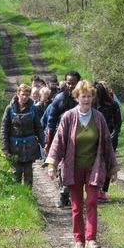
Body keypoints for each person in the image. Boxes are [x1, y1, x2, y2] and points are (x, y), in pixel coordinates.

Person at [45, 80, 120, 248]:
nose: (86, 100)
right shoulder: (68, 117)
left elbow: (107, 145)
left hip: (94, 167)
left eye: (89, 97)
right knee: (77, 205)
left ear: (93, 98)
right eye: (83, 96)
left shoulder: (99, 118)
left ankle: (91, 239)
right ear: (77, 97)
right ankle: (78, 240)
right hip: (73, 167)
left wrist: (113, 169)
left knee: (92, 201)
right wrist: (52, 164)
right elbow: (58, 142)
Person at [45, 71, 80, 207]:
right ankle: (63, 194)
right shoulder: (60, 98)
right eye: (68, 83)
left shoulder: (84, 99)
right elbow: (51, 120)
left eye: (73, 83)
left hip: (81, 140)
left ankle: (74, 196)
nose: (70, 86)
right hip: (63, 139)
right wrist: (49, 141)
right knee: (63, 167)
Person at [0, 84, 45, 186]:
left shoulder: (33, 108)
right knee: (16, 172)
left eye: (27, 95)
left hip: (29, 145)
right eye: (22, 94)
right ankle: (17, 195)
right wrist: (4, 147)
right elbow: (3, 128)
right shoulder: (10, 109)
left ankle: (28, 194)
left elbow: (38, 127)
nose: (24, 97)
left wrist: (44, 144)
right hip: (14, 146)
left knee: (29, 173)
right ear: (18, 94)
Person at [94, 81, 123, 202]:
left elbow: (117, 124)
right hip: (94, 139)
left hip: (110, 138)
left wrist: (112, 137)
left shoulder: (112, 104)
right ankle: (94, 188)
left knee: (107, 165)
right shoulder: (90, 105)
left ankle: (103, 191)